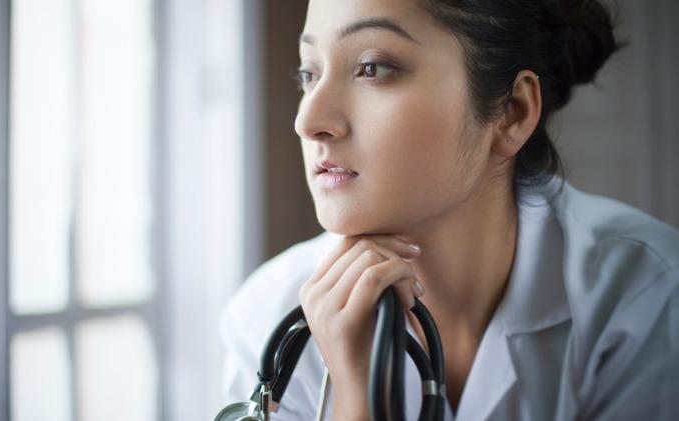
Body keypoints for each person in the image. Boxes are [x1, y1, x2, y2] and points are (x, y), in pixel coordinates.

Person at [218, 0, 679, 419]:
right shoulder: (264, 315)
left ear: (512, 112)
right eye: (308, 74)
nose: (308, 121)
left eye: (372, 68)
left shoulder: (647, 293)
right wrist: (355, 395)